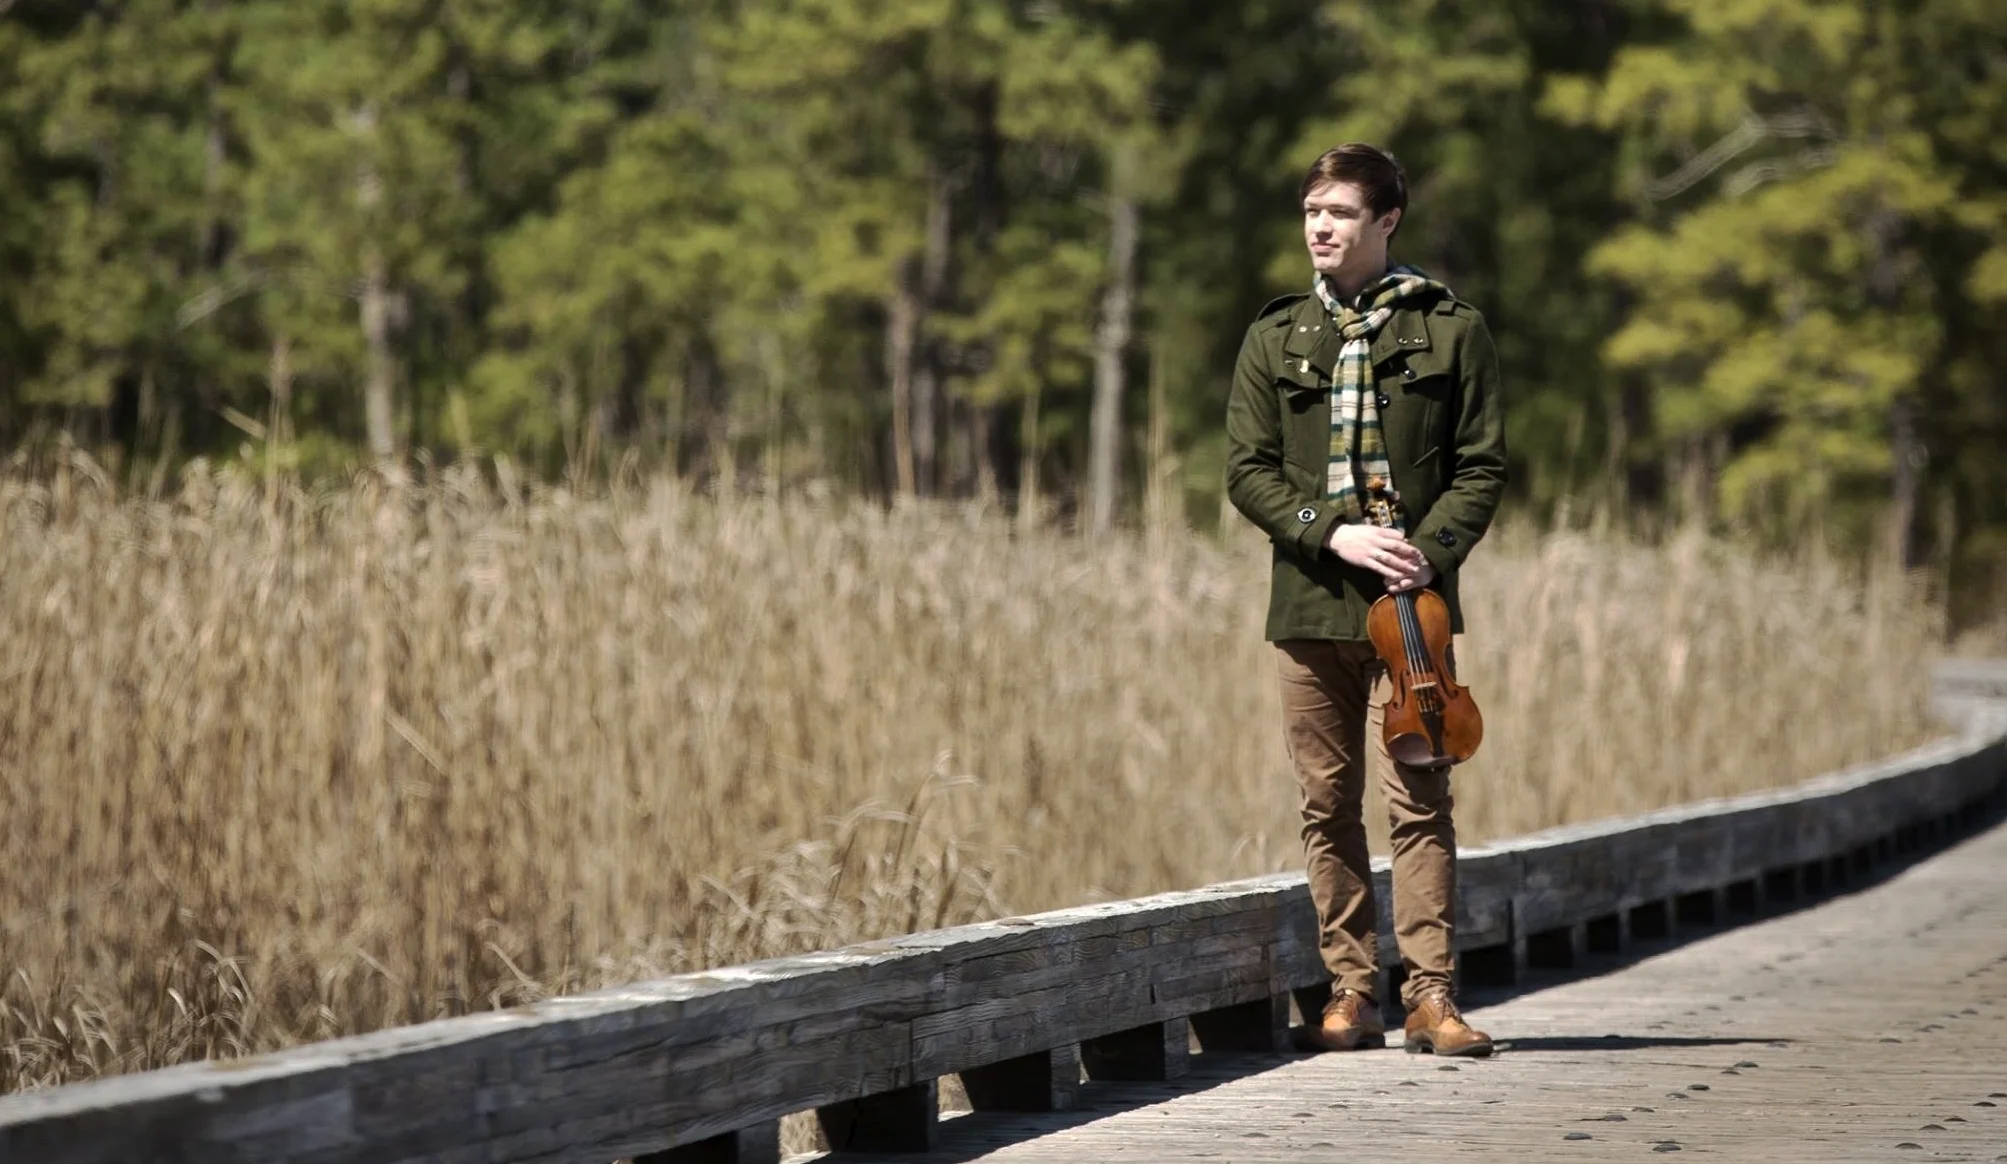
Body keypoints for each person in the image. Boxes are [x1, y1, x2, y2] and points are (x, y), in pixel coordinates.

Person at [1223, 143, 1507, 1056]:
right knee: (1326, 802)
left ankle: (1431, 995)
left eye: (1340, 212)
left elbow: (1480, 467)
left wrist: (1430, 553)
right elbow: (1247, 471)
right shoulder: (1274, 336)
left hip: (1413, 612)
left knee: (1420, 797)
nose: (1320, 227)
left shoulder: (1452, 330)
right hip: (1310, 602)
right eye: (1312, 211)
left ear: (1386, 220)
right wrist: (1330, 532)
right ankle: (1350, 990)